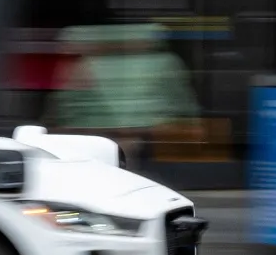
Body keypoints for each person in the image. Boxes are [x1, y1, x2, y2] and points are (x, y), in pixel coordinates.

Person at [50, 23, 198, 170]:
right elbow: (183, 107)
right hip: (145, 134)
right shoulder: (165, 62)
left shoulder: (81, 64)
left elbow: (64, 108)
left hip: (93, 135)